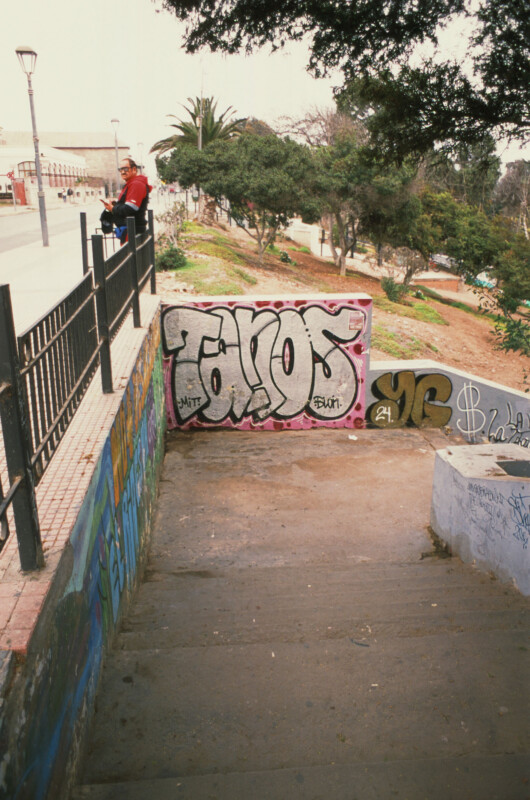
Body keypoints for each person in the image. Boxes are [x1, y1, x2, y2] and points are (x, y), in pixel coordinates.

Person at [100, 157, 152, 244]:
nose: (123, 172)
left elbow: (131, 208)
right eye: (120, 169)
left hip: (133, 232)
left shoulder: (136, 184)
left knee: (132, 256)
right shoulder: (131, 184)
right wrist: (115, 204)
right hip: (129, 231)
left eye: (126, 169)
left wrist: (112, 209)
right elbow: (128, 205)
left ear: (134, 169)